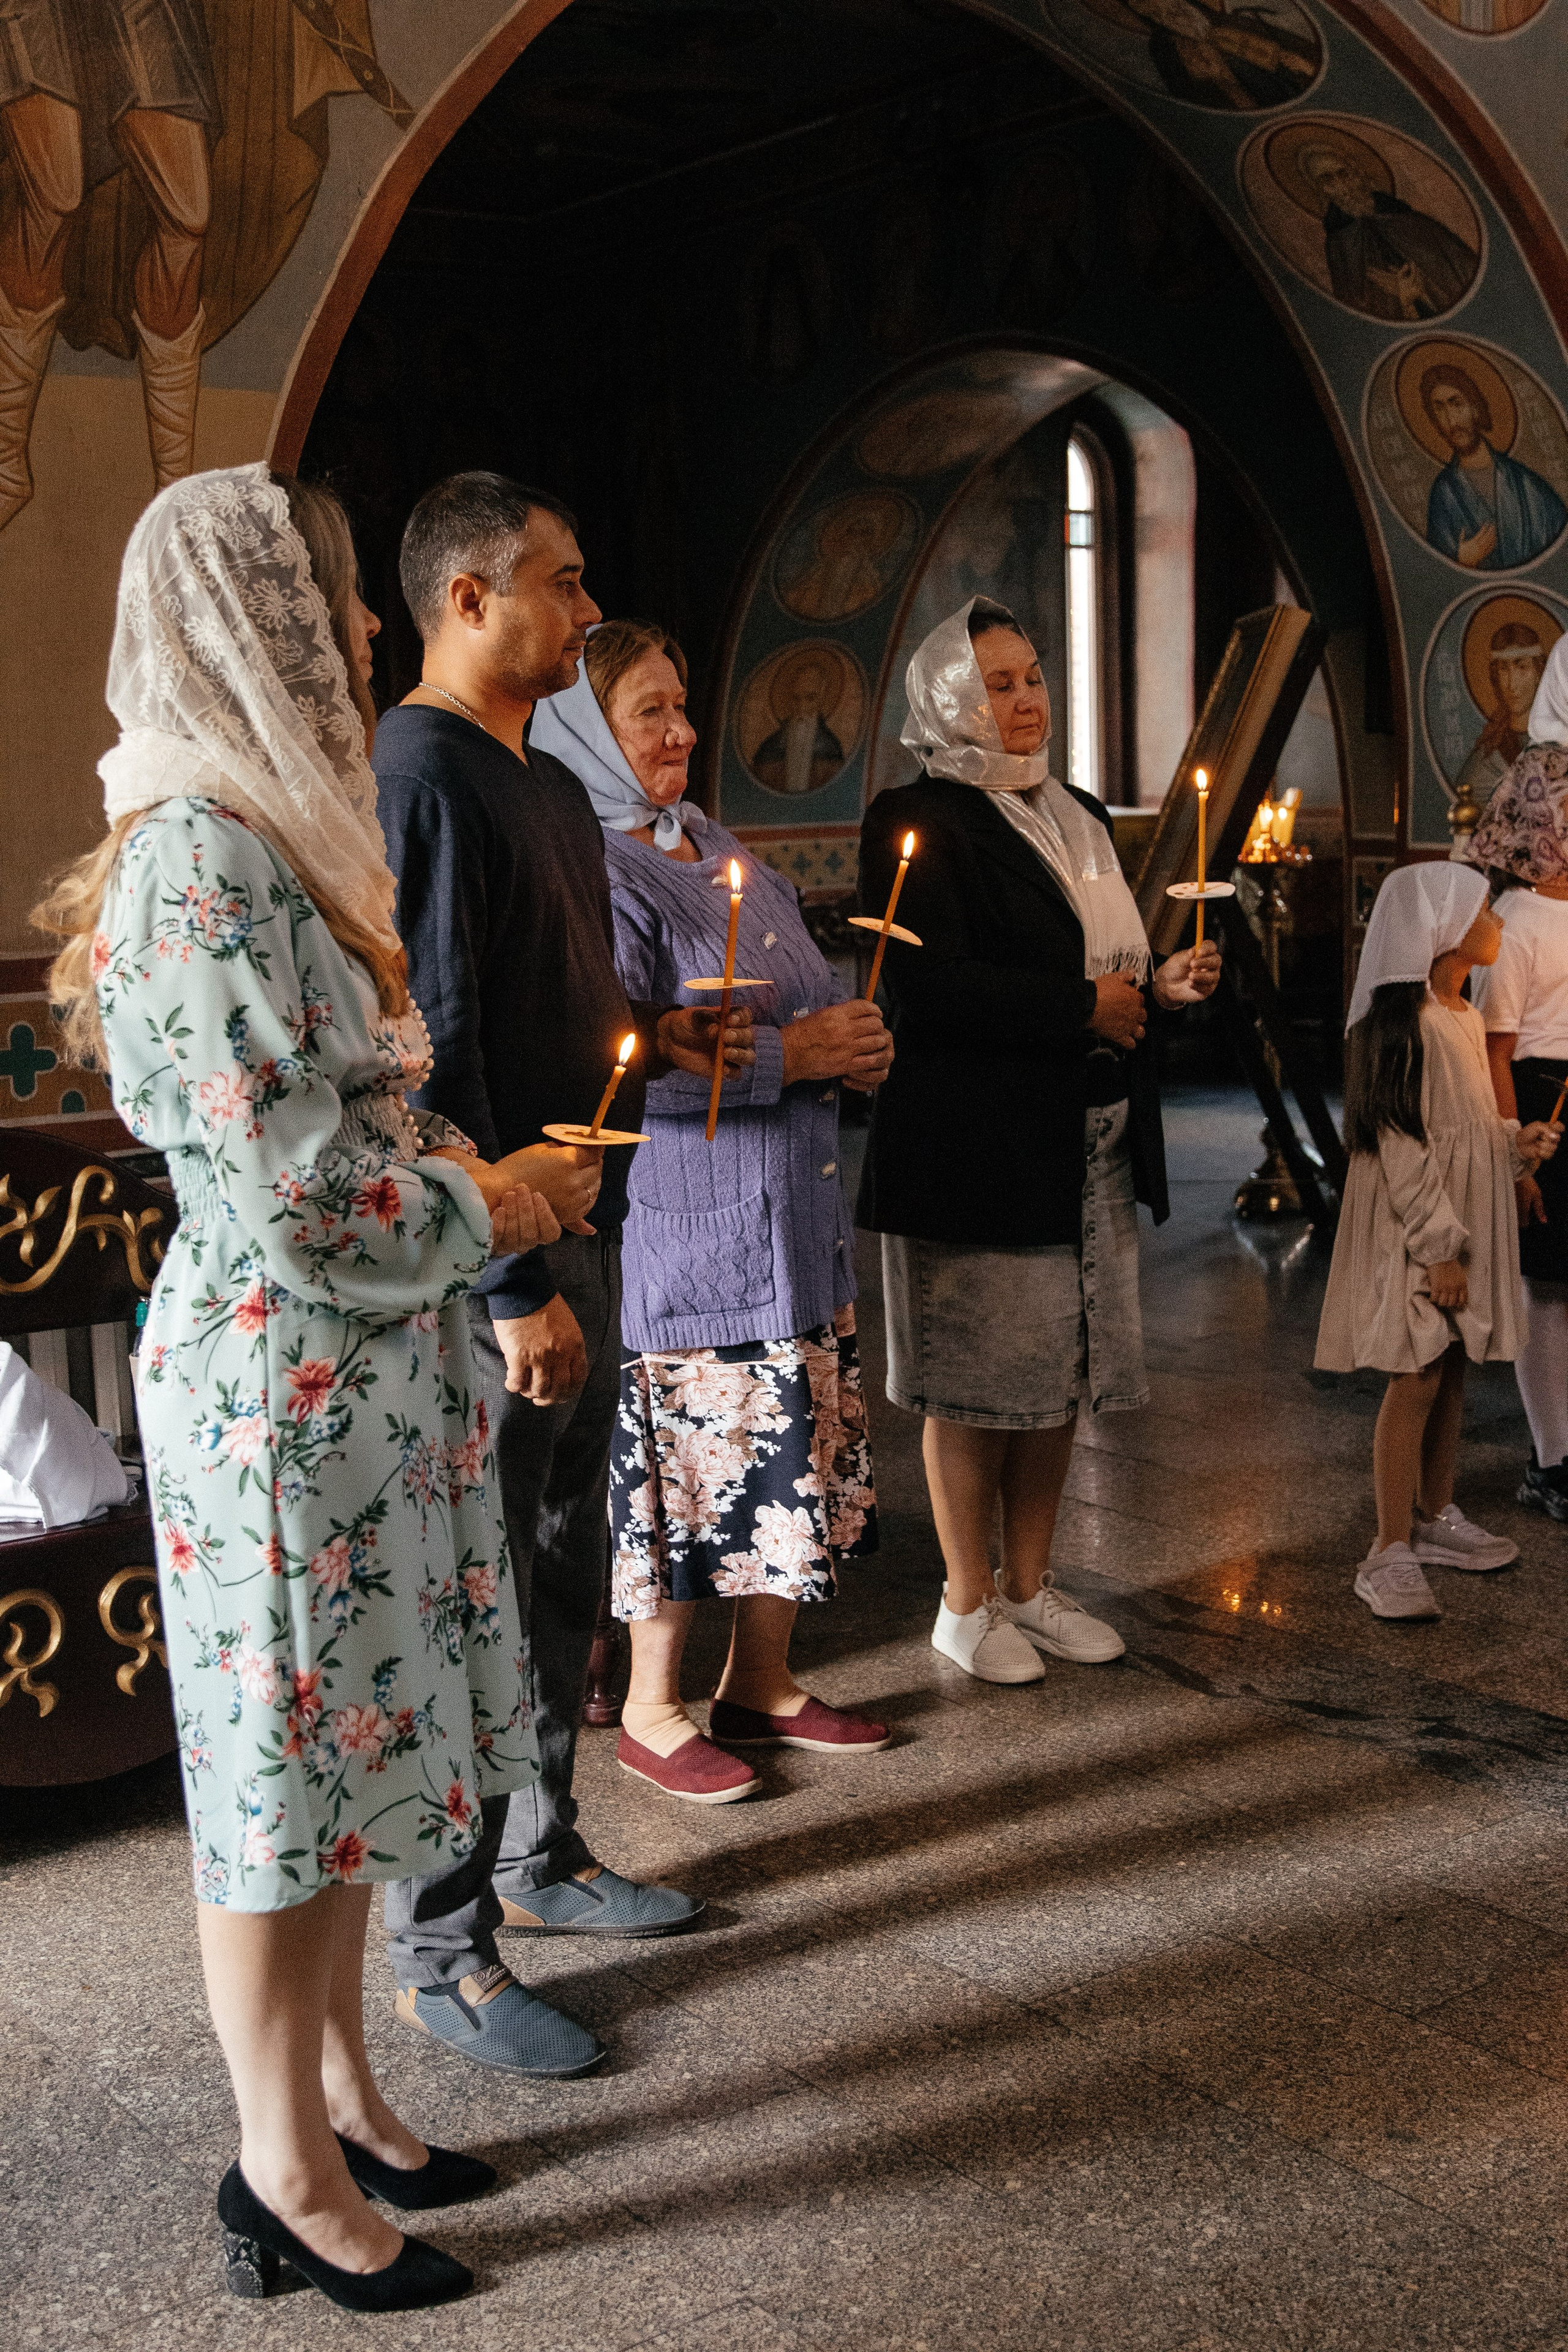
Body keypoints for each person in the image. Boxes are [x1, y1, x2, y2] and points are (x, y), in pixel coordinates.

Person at [34, 464, 570, 2310]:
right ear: (242, 618)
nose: (354, 629)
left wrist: (470, 1186)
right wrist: (490, 1197)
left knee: (348, 1766)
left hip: (355, 1371)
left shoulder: (273, 828)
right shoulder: (200, 853)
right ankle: (278, 2169)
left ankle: (341, 2091)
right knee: (278, 1782)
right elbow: (282, 1187)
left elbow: (350, 1120)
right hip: (281, 1384)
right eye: (328, 595)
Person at [375, 475, 753, 2066]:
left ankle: (540, 1849)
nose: (589, 613)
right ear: (471, 597)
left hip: (575, 1225)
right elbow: (435, 1049)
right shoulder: (423, 772)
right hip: (498, 1264)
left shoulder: (535, 781)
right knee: (477, 1590)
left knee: (555, 1570)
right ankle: (444, 1945)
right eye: (565, 582)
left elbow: (544, 1001)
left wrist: (657, 1038)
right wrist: (504, 1286)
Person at [531, 620, 892, 1802]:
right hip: (692, 1233)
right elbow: (612, 1065)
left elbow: (805, 1001)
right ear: (587, 728)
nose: (682, 730)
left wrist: (858, 1048)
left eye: (683, 704)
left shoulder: (710, 842)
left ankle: (764, 1683)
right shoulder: (590, 865)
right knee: (690, 1474)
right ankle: (651, 1705)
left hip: (794, 1219)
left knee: (787, 1457)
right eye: (650, 711)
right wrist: (796, 1057)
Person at [857, 597, 1220, 1684]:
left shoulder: (1079, 811)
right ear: (949, 700)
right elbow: (927, 986)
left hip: (1084, 1136)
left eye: (1032, 677)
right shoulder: (916, 818)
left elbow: (1104, 962)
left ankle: (1030, 1585)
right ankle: (965, 1605)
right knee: (979, 1381)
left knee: (1062, 1375)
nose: (1025, 700)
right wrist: (1082, 1010)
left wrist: (1157, 988)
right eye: (999, 684)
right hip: (975, 1146)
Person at [1314, 862, 1559, 1618]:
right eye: (1486, 911)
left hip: (1453, 1217)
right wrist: (1437, 1246)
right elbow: (1403, 1144)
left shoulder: (1457, 1015)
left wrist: (1517, 1144)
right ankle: (1386, 1546)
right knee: (1415, 1374)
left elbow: (1464, 1128)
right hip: (1419, 1228)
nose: (1498, 923)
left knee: (1450, 1367)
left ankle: (1434, 1515)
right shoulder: (1409, 1025)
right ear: (1444, 930)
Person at [1467, 636, 1568, 1517]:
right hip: (1539, 1099)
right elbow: (1497, 1046)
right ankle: (1554, 1452)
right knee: (1548, 1283)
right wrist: (1516, 1154)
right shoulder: (1518, 920)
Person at [1300, 145, 1479, 323]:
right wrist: (1403, 298)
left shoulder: (1401, 214)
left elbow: (1458, 261)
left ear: (1355, 172)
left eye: (1343, 173)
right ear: (1319, 188)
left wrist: (1425, 285)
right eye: (1327, 179)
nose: (1340, 183)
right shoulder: (1339, 243)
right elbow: (1356, 304)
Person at [1421, 363, 1568, 569]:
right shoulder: (1443, 494)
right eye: (1440, 409)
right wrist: (1460, 559)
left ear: (1476, 409)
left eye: (1457, 404)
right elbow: (1432, 574)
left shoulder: (1524, 481)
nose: (1451, 420)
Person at [1455, 621, 1547, 815]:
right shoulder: (1485, 758)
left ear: (1539, 672)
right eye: (1504, 669)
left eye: (1521, 667)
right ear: (1495, 676)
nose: (1512, 683)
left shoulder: (1557, 743)